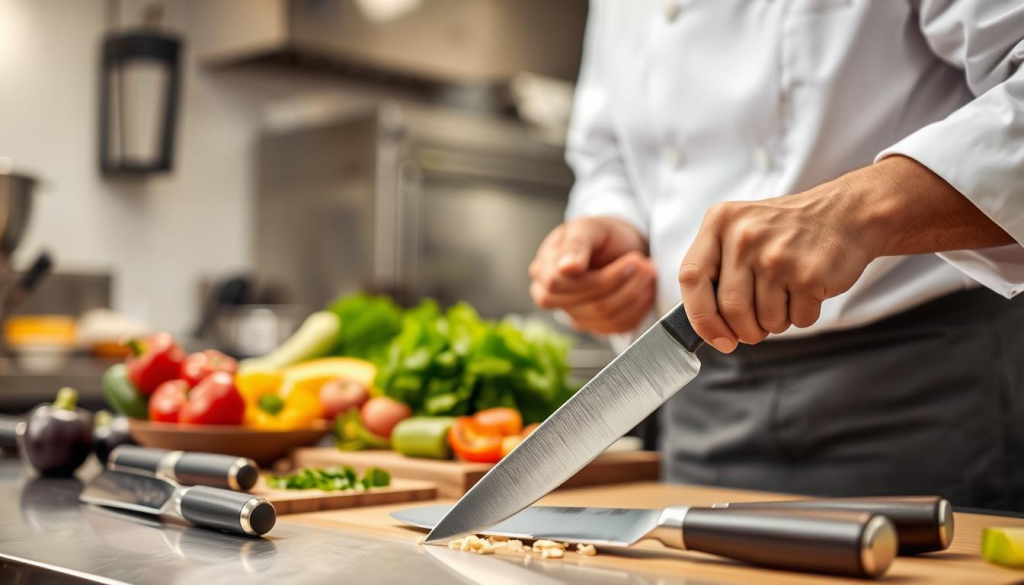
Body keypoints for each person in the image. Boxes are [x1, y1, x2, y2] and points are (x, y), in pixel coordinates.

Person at [529, 0, 1024, 511]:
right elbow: (607, 147)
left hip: (922, 394)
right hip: (702, 402)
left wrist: (855, 213)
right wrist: (614, 225)